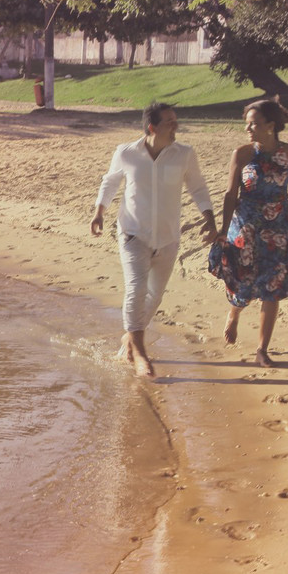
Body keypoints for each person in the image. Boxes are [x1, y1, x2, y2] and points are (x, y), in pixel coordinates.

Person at [92, 102, 217, 378]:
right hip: (132, 233)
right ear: (152, 127)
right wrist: (99, 212)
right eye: (169, 122)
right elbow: (110, 182)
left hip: (169, 236)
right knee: (136, 288)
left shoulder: (184, 154)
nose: (176, 126)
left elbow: (197, 186)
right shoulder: (126, 153)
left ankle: (129, 339)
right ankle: (139, 351)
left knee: (155, 295)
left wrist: (209, 217)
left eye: (176, 120)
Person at [208, 99, 288, 367]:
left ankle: (261, 350)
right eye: (247, 123)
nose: (248, 129)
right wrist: (223, 229)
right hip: (246, 225)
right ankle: (234, 313)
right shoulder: (242, 154)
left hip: (279, 226)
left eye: (253, 123)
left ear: (270, 125)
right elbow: (231, 194)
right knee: (243, 279)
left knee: (273, 285)